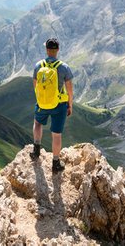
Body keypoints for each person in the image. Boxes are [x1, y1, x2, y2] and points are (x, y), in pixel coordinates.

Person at [30, 37, 74, 173]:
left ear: (47, 50)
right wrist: (70, 105)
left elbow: (35, 86)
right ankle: (55, 163)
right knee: (56, 135)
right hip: (59, 104)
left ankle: (36, 150)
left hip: (42, 103)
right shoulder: (64, 67)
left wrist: (41, 100)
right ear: (58, 50)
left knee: (37, 123)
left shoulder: (39, 66)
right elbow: (69, 89)